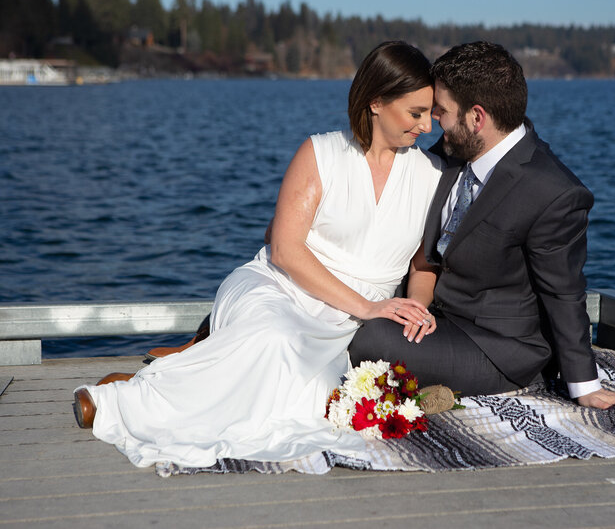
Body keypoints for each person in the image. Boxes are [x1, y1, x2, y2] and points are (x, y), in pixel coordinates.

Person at [72, 41, 444, 468]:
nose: (427, 128)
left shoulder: (430, 176)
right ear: (376, 102)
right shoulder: (321, 154)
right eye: (416, 114)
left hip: (346, 319)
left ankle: (181, 373)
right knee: (276, 340)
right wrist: (369, 305)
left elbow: (423, 262)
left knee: (312, 395)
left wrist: (415, 307)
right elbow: (285, 250)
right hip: (281, 287)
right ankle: (132, 399)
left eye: (430, 113)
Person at [349, 41, 615, 409]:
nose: (433, 122)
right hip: (434, 316)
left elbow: (564, 293)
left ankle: (429, 391)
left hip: (497, 347)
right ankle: (426, 391)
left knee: (367, 340)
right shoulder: (456, 151)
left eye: (442, 112)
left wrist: (585, 386)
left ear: (477, 117)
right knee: (346, 317)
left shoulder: (554, 192)